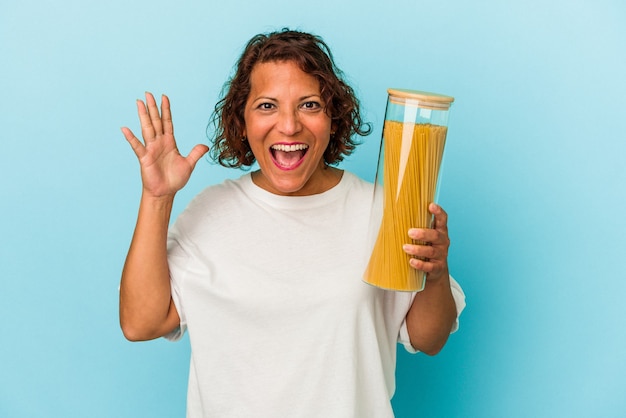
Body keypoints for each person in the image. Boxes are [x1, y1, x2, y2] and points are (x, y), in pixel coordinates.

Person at [119, 29, 465, 418]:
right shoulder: (209, 213)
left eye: (309, 105)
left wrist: (435, 275)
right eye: (267, 105)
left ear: (333, 119)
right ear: (243, 120)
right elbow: (140, 323)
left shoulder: (384, 211)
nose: (288, 126)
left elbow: (428, 339)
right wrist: (158, 198)